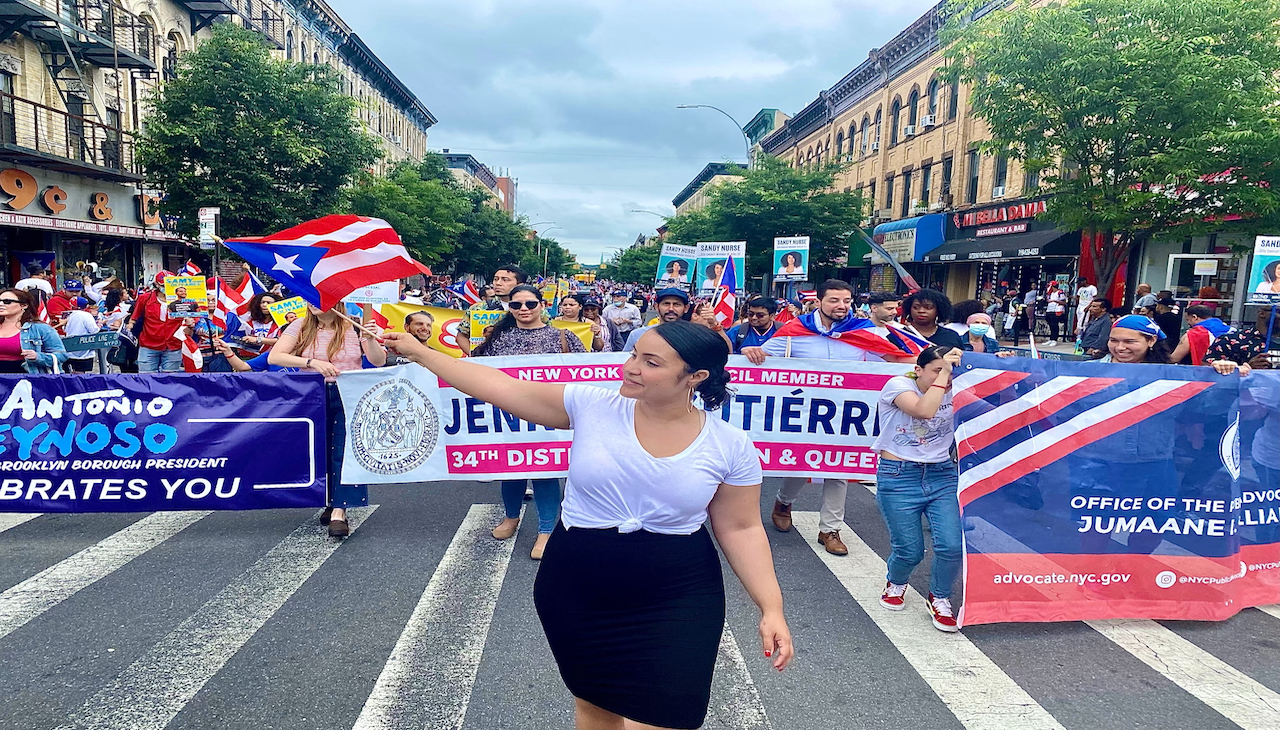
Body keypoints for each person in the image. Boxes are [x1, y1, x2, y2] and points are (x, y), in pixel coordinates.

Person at [380, 319, 793, 729]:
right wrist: (419, 352)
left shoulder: (729, 445)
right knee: (597, 706)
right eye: (634, 354)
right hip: (578, 587)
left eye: (651, 362)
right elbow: (497, 385)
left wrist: (770, 607)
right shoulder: (592, 404)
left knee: (671, 714)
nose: (631, 367)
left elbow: (741, 528)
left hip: (677, 591)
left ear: (696, 377)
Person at [746, 280, 917, 557]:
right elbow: (763, 356)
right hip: (803, 412)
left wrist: (936, 364)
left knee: (838, 468)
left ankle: (830, 529)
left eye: (847, 301)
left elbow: (894, 359)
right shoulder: (795, 331)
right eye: (834, 300)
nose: (841, 306)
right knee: (801, 462)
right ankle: (783, 502)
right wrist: (748, 353)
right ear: (819, 302)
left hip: (845, 415)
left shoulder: (864, 332)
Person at [472, 285, 587, 560]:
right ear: (509, 308)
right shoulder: (499, 339)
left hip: (550, 414)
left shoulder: (563, 337)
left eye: (530, 304)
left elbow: (588, 371)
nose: (524, 309)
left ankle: (546, 530)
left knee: (544, 471)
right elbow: (475, 371)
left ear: (542, 305)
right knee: (511, 468)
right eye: (517, 305)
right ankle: (511, 518)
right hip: (509, 415)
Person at [269, 303, 387, 537]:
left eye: (319, 297)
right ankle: (329, 499)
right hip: (313, 395)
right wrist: (312, 363)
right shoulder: (300, 325)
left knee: (344, 451)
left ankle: (339, 511)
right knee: (319, 451)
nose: (312, 303)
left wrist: (370, 338)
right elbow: (276, 356)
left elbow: (378, 361)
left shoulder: (354, 324)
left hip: (350, 393)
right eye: (309, 298)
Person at [872, 345, 964, 632]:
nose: (945, 377)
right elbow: (924, 411)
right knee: (910, 550)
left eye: (947, 370)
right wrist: (944, 375)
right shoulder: (898, 385)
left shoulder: (958, 388)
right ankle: (896, 581)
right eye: (936, 370)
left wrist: (996, 365)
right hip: (899, 476)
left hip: (941, 474)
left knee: (951, 544)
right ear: (919, 369)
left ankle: (940, 597)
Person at [458, 264, 549, 355]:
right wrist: (476, 357)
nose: (498, 283)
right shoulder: (478, 308)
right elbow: (461, 336)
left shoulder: (534, 308)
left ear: (520, 284)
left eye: (505, 280)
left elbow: (548, 334)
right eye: (496, 279)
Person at [0, 288, 66, 374]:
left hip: (27, 379)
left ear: (24, 305)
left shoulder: (40, 328)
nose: (1, 304)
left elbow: (62, 355)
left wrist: (37, 357)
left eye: (7, 301)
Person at [131, 271, 185, 373]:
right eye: (163, 285)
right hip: (148, 344)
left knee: (170, 380)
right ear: (157, 284)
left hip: (173, 344)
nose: (166, 288)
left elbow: (193, 316)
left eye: (169, 285)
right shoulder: (145, 298)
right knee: (146, 379)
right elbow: (134, 317)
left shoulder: (183, 299)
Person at [1205, 307, 1277, 374]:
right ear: (1262, 313)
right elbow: (1205, 373)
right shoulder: (1229, 340)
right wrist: (1246, 369)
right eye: (1278, 311)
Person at [624, 288, 692, 351]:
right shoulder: (638, 335)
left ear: (686, 308)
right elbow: (625, 361)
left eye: (676, 304)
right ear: (656, 307)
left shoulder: (692, 337)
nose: (671, 308)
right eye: (666, 304)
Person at [1169, 304, 1234, 366]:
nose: (1188, 323)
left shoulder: (1193, 334)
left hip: (1204, 373)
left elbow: (1174, 358)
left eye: (1188, 320)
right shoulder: (1232, 330)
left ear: (1194, 317)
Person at [901, 289, 965, 350]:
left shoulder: (951, 336)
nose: (921, 311)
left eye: (928, 307)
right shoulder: (899, 335)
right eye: (916, 307)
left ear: (939, 310)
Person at [1095, 315, 1171, 363]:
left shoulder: (1169, 374)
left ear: (1151, 341)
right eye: (1113, 340)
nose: (1119, 347)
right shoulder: (1088, 369)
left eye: (1129, 341)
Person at [61, 297, 100, 373]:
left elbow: (64, 330)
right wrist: (100, 325)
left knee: (69, 374)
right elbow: (94, 330)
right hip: (83, 349)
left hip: (69, 348)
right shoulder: (86, 315)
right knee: (80, 374)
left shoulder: (68, 315)